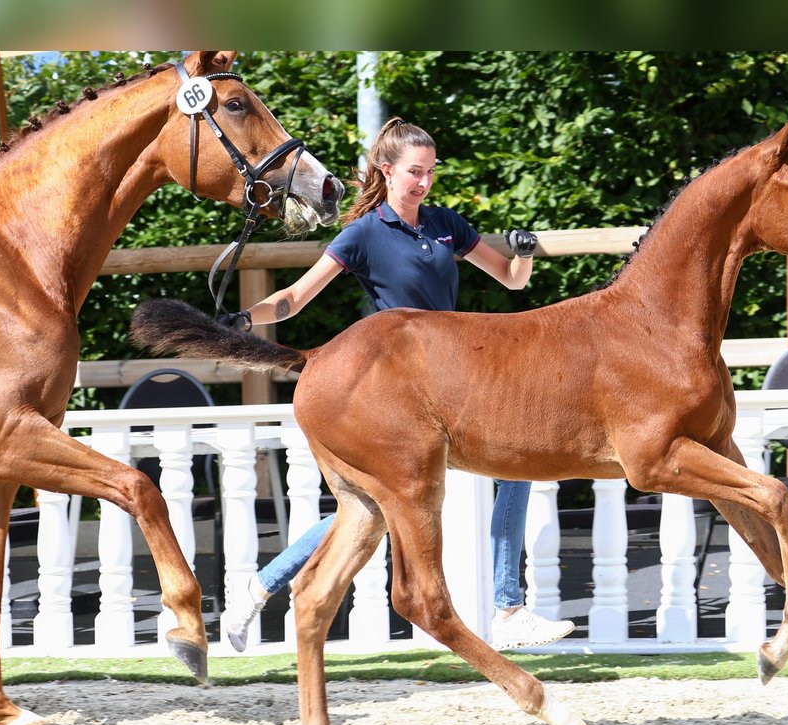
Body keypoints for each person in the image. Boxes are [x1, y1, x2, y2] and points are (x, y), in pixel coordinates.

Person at [219, 116, 574, 654]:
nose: (424, 182)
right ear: (386, 171)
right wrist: (247, 319)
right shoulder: (363, 234)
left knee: (513, 467)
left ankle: (508, 610)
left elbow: (511, 279)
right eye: (415, 172)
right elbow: (296, 296)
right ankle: (507, 607)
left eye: (431, 172)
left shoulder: (446, 225)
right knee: (373, 509)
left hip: (456, 375)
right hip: (401, 388)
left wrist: (523, 252)